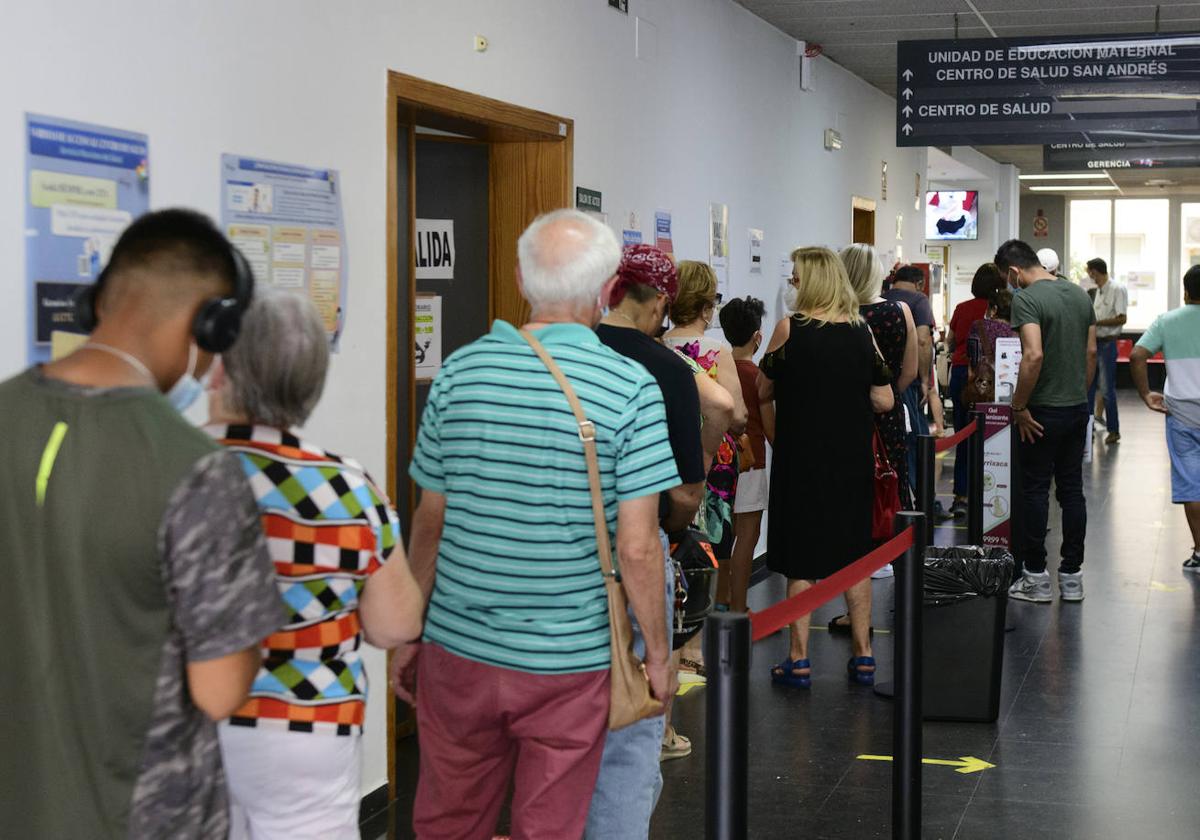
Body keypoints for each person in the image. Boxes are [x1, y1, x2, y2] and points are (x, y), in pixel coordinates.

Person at [394, 209, 680, 839]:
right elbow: (637, 547)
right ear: (608, 291)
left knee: (448, 820)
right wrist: (657, 654)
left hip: (458, 649)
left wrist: (409, 629)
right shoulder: (630, 388)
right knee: (550, 826)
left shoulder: (459, 374)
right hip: (569, 662)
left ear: (522, 281)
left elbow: (430, 522)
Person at [0, 208, 283, 839]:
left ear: (95, 301)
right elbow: (219, 690)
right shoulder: (198, 471)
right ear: (210, 323)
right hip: (140, 814)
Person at [204, 289, 423, 839]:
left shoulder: (168, 468)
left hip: (188, 720)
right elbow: (395, 625)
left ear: (218, 371)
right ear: (310, 388)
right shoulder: (345, 486)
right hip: (308, 725)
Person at [588, 244, 710, 839]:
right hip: (633, 558)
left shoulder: (567, 355)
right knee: (631, 731)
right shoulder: (665, 369)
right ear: (662, 300)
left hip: (552, 568)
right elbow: (686, 493)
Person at [762, 247, 895, 688]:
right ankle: (864, 654)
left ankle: (798, 659)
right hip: (850, 460)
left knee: (801, 559)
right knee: (854, 555)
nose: (793, 283)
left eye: (797, 275)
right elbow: (885, 399)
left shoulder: (790, 330)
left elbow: (764, 389)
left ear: (813, 280)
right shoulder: (861, 332)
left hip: (800, 460)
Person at [995, 239, 1097, 603]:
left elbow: (1033, 355)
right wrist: (1078, 395)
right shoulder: (1080, 295)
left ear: (1013, 271)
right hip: (1075, 408)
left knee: (1035, 490)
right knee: (1071, 491)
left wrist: (1019, 407)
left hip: (1040, 412)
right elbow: (1090, 351)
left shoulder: (1026, 298)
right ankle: (1072, 578)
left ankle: (1035, 577)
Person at [842, 243, 918, 591]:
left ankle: (852, 549)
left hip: (849, 415)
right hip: (889, 414)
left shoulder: (840, 316)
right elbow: (910, 371)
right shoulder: (899, 311)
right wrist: (889, 393)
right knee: (891, 478)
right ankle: (889, 550)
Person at [663, 261, 749, 558]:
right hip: (713, 461)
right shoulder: (717, 352)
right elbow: (737, 417)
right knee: (712, 548)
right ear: (705, 307)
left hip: (668, 454)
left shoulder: (657, 345)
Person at [1130, 265, 1200, 573]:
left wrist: (1147, 394)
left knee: (1191, 484)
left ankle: (1199, 550)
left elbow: (1137, 355)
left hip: (1181, 413)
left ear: (1186, 292)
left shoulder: (1167, 321)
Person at [718, 295, 774, 613]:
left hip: (722, 462)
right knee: (747, 538)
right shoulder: (757, 377)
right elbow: (768, 427)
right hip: (752, 464)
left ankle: (721, 600)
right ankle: (739, 607)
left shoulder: (717, 369)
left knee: (723, 538)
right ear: (758, 337)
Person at [946, 264, 1003, 515]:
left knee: (963, 436)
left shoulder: (962, 308)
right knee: (992, 437)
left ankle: (961, 497)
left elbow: (949, 340)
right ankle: (989, 494)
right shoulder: (999, 311)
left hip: (962, 374)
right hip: (992, 378)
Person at [883, 264, 935, 493]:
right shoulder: (919, 300)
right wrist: (925, 381)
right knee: (917, 440)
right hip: (908, 382)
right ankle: (923, 500)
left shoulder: (881, 298)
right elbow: (923, 340)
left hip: (881, 382)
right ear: (920, 283)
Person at [1086, 257, 1128, 444]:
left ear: (1095, 271)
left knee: (1107, 389)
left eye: (1090, 272)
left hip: (1108, 344)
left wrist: (1096, 323)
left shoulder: (1117, 289)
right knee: (1089, 387)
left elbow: (1121, 318)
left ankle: (1114, 430)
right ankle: (1088, 429)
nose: (1089, 275)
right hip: (1094, 343)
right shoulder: (1097, 292)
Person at [965, 287, 1016, 403]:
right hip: (1010, 390)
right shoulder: (1017, 332)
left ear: (994, 310)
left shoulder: (978, 326)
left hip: (983, 387)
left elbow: (973, 359)